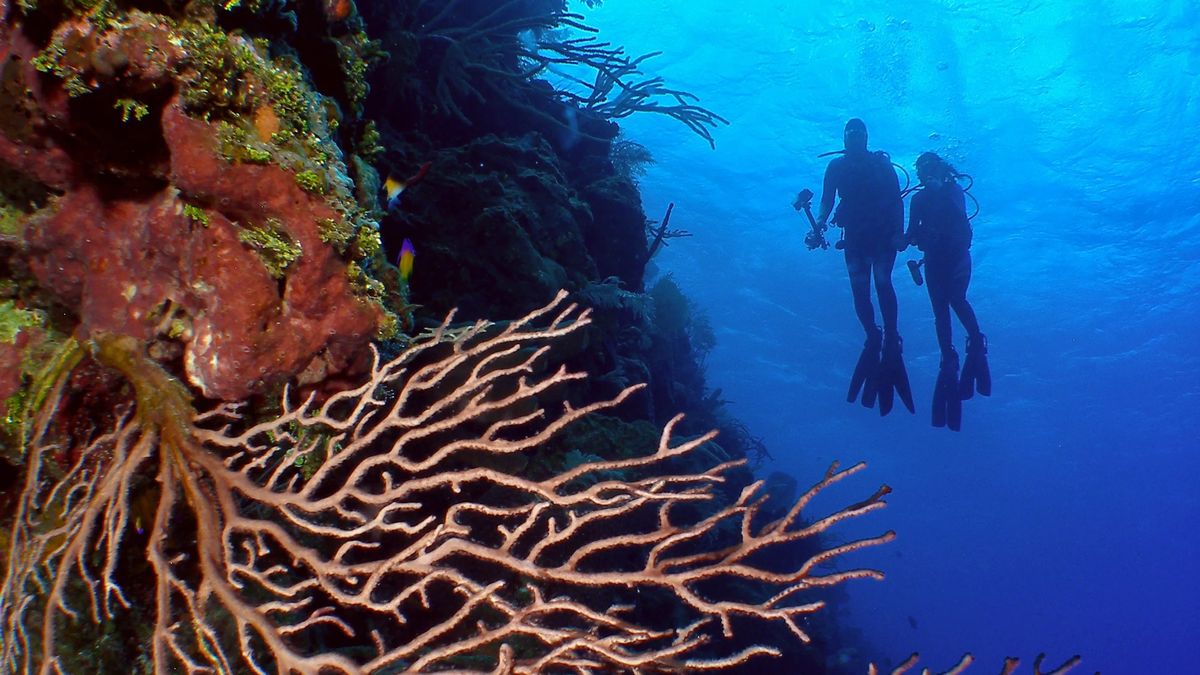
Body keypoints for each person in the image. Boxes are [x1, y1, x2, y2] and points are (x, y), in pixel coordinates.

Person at [808, 118, 913, 416]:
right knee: (860, 292)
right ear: (843, 137)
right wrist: (819, 224)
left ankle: (890, 334)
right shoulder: (836, 168)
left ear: (866, 137)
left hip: (882, 237)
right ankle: (873, 334)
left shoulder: (882, 166)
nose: (854, 137)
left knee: (882, 283)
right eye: (849, 133)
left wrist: (898, 233)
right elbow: (826, 201)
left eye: (859, 133)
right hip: (854, 236)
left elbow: (897, 202)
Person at [904, 151, 991, 430]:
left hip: (956, 257)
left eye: (927, 169)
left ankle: (976, 342)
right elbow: (910, 234)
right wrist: (898, 239)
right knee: (940, 312)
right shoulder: (917, 199)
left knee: (956, 299)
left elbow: (959, 217)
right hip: (933, 261)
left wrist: (940, 190)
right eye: (921, 170)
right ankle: (948, 358)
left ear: (939, 169)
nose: (923, 174)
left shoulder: (954, 190)